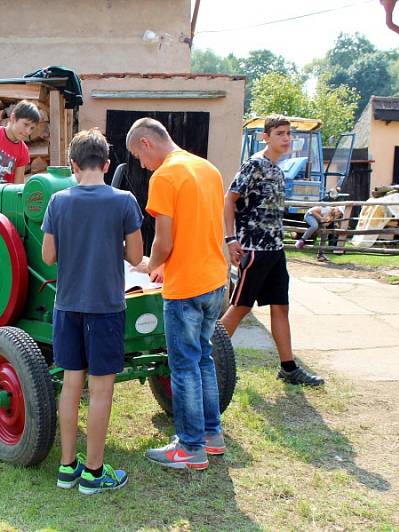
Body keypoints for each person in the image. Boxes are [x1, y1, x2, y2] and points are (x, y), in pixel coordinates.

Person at [41, 128, 143, 494]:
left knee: (71, 386)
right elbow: (134, 256)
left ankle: (67, 469)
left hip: (68, 306)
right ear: (107, 163)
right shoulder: (124, 201)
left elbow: (48, 257)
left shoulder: (58, 201)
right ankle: (95, 474)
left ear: (72, 165)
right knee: (101, 391)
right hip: (106, 308)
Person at [126, 118, 228, 471]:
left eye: (138, 156)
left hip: (186, 288)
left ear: (146, 143)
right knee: (203, 359)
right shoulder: (207, 168)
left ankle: (189, 447)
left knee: (183, 366)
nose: (141, 164)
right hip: (215, 279)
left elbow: (164, 240)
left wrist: (149, 265)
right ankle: (212, 437)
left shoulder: (165, 176)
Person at [221, 114, 324, 386]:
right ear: (266, 137)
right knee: (239, 308)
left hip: (275, 250)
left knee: (281, 307)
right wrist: (231, 240)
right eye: (280, 133)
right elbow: (229, 201)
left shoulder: (278, 170)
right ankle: (208, 361)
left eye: (289, 134)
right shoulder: (254, 165)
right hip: (254, 250)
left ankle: (289, 369)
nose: (287, 138)